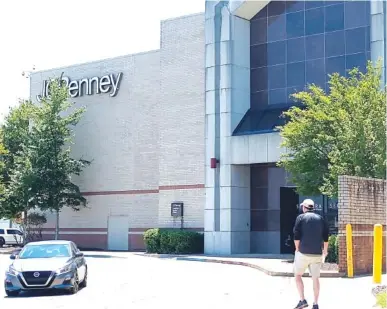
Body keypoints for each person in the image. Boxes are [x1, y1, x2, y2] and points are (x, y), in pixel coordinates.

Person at [292, 199, 329, 309]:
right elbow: (326, 236)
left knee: (298, 275)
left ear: (304, 207)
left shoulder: (300, 218)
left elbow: (296, 235)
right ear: (313, 207)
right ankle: (315, 303)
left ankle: (302, 300)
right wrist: (325, 251)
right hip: (317, 254)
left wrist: (297, 248)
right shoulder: (321, 218)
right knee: (315, 279)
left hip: (303, 253)